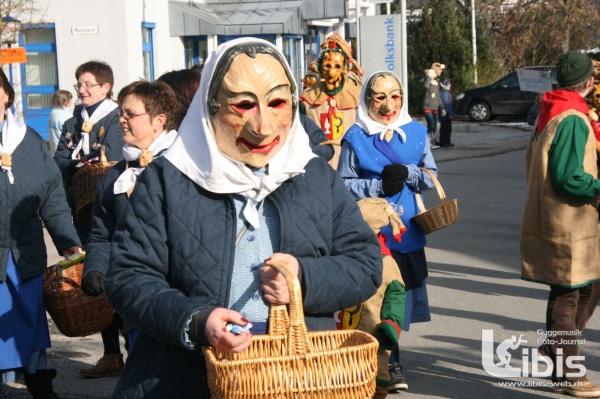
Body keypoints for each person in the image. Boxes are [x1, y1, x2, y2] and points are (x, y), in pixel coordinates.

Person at [104, 38, 382, 398]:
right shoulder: (166, 178)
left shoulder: (313, 175)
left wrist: (304, 278)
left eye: (278, 102)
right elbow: (128, 277)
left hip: (296, 379)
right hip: (181, 377)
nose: (264, 126)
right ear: (211, 106)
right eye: (244, 105)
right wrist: (196, 320)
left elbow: (365, 264)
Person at [337, 71, 438, 393]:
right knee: (375, 300)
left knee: (401, 298)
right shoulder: (354, 136)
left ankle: (391, 355)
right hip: (372, 234)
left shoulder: (417, 132)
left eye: (394, 95)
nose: (388, 104)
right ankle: (388, 363)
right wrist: (377, 185)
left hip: (406, 233)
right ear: (367, 100)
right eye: (379, 97)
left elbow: (429, 176)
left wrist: (408, 173)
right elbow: (342, 183)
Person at [78, 80, 181, 379]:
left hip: (177, 297)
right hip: (133, 298)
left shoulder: (184, 166)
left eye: (130, 113)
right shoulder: (114, 175)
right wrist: (95, 268)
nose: (121, 119)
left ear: (158, 121)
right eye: (122, 112)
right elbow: (101, 231)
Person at [521, 51, 600, 398]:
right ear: (589, 83)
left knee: (584, 287)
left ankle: (556, 349)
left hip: (561, 219)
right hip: (568, 220)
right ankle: (569, 372)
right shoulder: (571, 118)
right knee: (568, 295)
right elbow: (569, 177)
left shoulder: (551, 108)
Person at [0, 68, 83, 399]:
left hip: (25, 252)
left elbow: (53, 199)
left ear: (7, 94)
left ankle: (38, 379)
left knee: (29, 321)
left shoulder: (29, 142)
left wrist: (67, 242)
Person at [54, 60, 124, 243]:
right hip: (80, 202)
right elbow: (59, 161)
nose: (81, 90)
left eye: (88, 85)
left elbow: (109, 154)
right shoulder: (72, 123)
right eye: (79, 85)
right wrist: (78, 165)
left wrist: (76, 164)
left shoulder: (117, 118)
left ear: (105, 87)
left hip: (110, 200)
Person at [299, 34, 363, 169]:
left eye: (337, 66)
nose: (331, 73)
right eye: (327, 66)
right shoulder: (306, 99)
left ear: (344, 69)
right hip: (318, 168)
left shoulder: (358, 97)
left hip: (351, 168)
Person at [423, 62, 446, 149]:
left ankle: (433, 142)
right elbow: (425, 86)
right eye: (440, 69)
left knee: (435, 127)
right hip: (427, 107)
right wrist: (430, 76)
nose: (441, 71)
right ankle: (427, 142)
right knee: (431, 125)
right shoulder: (428, 80)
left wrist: (442, 107)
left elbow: (438, 97)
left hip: (435, 108)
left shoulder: (437, 82)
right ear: (435, 70)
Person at [47, 90, 74, 156]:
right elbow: (69, 132)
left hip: (54, 151)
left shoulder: (53, 112)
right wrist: (70, 140)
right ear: (65, 101)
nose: (72, 102)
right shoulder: (65, 115)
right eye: (70, 99)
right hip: (64, 152)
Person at [438, 78, 455, 147]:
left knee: (444, 128)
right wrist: (450, 114)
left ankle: (444, 141)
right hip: (446, 114)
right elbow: (447, 104)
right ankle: (445, 141)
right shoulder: (445, 93)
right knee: (446, 128)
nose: (450, 86)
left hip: (444, 114)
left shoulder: (442, 92)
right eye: (449, 84)